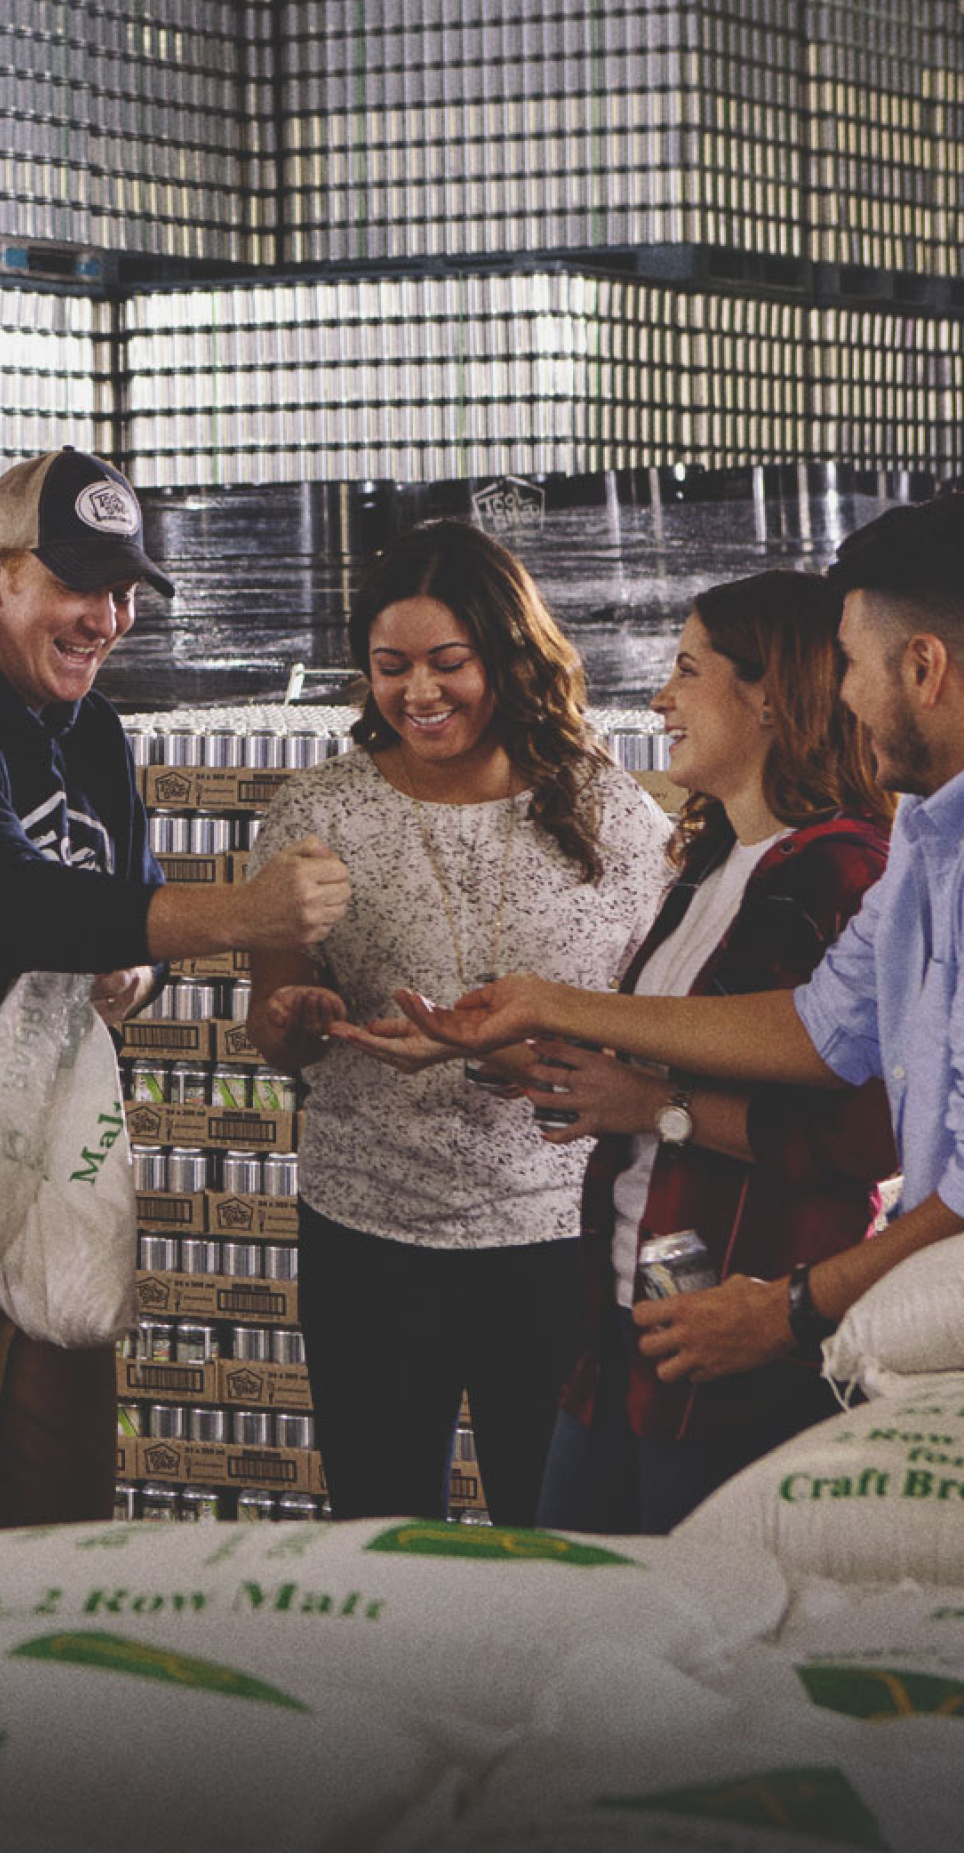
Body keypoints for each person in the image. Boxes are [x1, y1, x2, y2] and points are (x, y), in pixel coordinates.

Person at [0, 446, 353, 1566]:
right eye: (78, 585)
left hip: (53, 1145)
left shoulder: (89, 730)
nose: (107, 619)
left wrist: (135, 973)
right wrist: (242, 914)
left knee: (59, 1499)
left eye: (124, 590)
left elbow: (122, 905)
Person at [402, 494, 964, 1386]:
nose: (844, 693)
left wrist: (789, 1307)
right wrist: (545, 1012)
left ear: (925, 668)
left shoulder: (850, 860)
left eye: (854, 665)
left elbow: (923, 1170)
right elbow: (821, 1025)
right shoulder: (925, 845)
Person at [243, 518, 676, 1527]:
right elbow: (273, 1023)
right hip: (367, 1231)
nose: (419, 693)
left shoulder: (610, 812)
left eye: (449, 662)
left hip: (559, 1232)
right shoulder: (318, 810)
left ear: (510, 657)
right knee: (382, 1531)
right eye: (390, 667)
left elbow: (663, 1026)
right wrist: (296, 1017)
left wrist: (528, 1054)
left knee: (557, 1529)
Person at [529, 573, 894, 1532]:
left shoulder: (844, 871)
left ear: (772, 696)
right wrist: (550, 1066)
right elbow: (666, 1065)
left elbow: (857, 1138)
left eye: (688, 670)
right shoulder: (709, 861)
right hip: (627, 1320)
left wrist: (656, 1107)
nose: (660, 699)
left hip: (744, 1333)